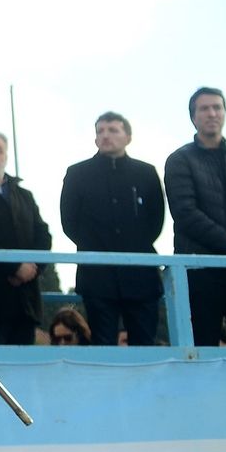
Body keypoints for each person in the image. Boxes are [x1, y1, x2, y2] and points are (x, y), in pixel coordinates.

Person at [60, 111, 166, 348]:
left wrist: (132, 245)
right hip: (97, 276)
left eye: (113, 130)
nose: (106, 136)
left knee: (145, 345)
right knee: (103, 345)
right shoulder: (77, 173)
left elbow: (155, 220)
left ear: (128, 136)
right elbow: (69, 222)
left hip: (141, 276)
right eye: (100, 131)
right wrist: (95, 245)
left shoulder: (146, 173)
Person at [163, 87, 226, 346]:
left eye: (217, 107)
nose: (212, 113)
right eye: (204, 108)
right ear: (193, 116)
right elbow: (186, 213)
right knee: (201, 347)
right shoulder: (179, 160)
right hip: (200, 271)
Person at [0, 131, 51, 345]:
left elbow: (42, 234)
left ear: (5, 156)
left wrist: (34, 267)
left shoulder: (24, 195)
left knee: (25, 370)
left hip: (26, 300)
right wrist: (14, 268)